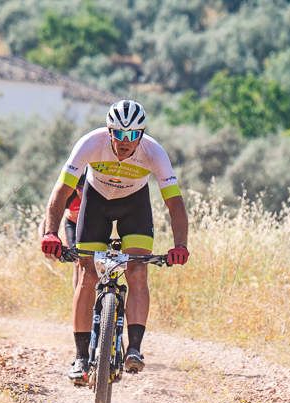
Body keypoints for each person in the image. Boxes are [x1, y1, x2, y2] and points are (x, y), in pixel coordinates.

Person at [40, 99, 189, 385]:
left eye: (132, 135)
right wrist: (51, 232)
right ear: (109, 132)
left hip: (135, 207)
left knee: (137, 270)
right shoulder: (90, 143)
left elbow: (175, 204)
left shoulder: (154, 153)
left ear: (141, 135)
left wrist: (180, 244)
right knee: (87, 274)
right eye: (119, 134)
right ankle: (81, 358)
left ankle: (134, 348)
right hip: (96, 204)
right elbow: (60, 193)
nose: (125, 142)